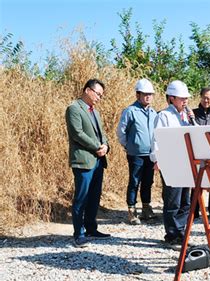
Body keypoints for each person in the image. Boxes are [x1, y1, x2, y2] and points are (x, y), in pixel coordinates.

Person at [65, 79, 111, 248]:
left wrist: (105, 145)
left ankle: (91, 228)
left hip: (98, 160)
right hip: (84, 160)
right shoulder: (74, 109)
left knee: (94, 197)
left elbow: (102, 133)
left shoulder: (95, 112)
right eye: (98, 94)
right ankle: (79, 233)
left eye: (101, 95)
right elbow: (77, 133)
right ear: (87, 90)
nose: (99, 97)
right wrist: (97, 146)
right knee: (81, 197)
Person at [151, 80, 193, 247]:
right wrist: (157, 159)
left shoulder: (185, 116)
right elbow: (157, 140)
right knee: (172, 200)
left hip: (185, 162)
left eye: (186, 98)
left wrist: (192, 120)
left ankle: (181, 232)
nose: (185, 101)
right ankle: (172, 234)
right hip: (171, 162)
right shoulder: (164, 116)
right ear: (171, 98)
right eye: (182, 98)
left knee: (185, 200)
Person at [117, 79, 158, 225]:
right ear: (138, 95)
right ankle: (132, 210)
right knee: (134, 181)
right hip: (136, 154)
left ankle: (146, 208)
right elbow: (121, 131)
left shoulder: (154, 113)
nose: (148, 97)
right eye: (145, 94)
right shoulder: (130, 111)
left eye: (150, 94)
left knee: (148, 182)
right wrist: (128, 146)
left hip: (150, 154)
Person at [191, 87, 210, 221]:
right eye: (204, 97)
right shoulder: (193, 113)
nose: (206, 100)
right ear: (200, 97)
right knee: (196, 181)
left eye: (209, 98)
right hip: (197, 151)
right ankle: (194, 210)